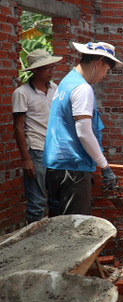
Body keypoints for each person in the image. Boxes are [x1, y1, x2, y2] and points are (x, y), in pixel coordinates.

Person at [44, 41, 122, 215]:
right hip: (73, 167)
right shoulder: (82, 88)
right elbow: (84, 132)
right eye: (106, 70)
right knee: (75, 227)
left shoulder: (66, 81)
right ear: (99, 63)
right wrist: (105, 167)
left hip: (55, 164)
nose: (104, 76)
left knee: (56, 224)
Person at [11, 49, 62, 223]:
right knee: (37, 202)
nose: (51, 71)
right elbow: (18, 127)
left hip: (54, 150)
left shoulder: (55, 88)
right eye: (46, 68)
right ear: (35, 70)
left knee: (56, 200)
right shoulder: (22, 93)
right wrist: (25, 159)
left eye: (52, 67)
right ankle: (33, 244)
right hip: (36, 150)